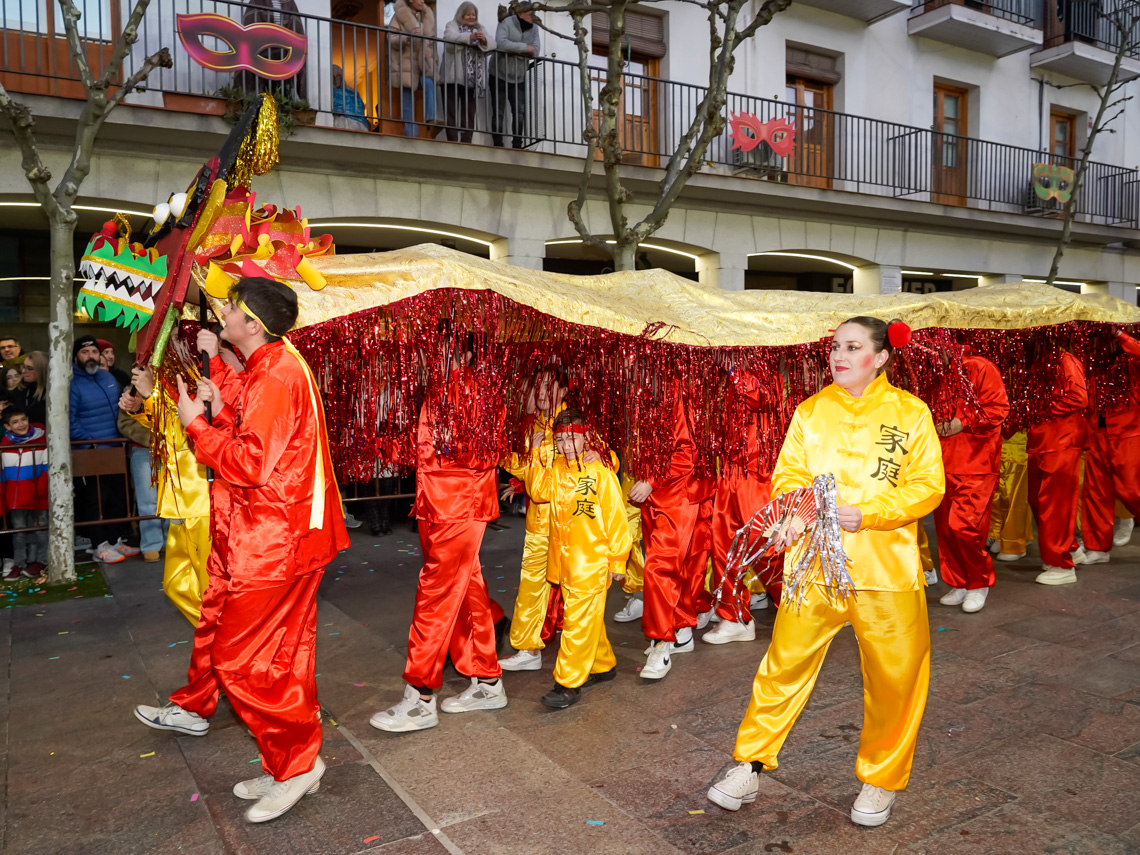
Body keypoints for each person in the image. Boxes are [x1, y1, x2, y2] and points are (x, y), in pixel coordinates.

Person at [707, 317, 944, 829]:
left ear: (881, 357)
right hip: (812, 569)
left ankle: (881, 778)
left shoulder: (911, 413)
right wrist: (793, 515)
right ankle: (750, 763)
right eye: (836, 347)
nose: (839, 356)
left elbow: (928, 486)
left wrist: (872, 514)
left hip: (884, 572)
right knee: (783, 666)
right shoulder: (811, 411)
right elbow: (789, 475)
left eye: (853, 347)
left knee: (896, 679)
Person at [133, 277, 348, 824]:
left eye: (230, 308)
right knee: (279, 657)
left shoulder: (275, 373)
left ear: (252, 323)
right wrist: (220, 409)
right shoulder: (272, 365)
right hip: (268, 535)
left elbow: (251, 464)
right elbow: (263, 440)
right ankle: (292, 763)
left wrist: (196, 425)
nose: (222, 314)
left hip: (273, 541)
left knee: (240, 661)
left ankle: (297, 765)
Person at [369, 329, 507, 734]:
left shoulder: (477, 392)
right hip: (437, 504)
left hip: (459, 506)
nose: (432, 354)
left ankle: (420, 696)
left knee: (436, 596)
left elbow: (485, 452)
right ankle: (487, 681)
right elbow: (426, 452)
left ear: (463, 354)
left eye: (441, 347)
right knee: (467, 591)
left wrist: (450, 444)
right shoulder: (437, 390)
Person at [521, 408, 631, 708]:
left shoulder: (599, 470)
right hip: (564, 563)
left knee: (576, 623)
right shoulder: (558, 466)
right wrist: (535, 455)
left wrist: (617, 561)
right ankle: (602, 664)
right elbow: (539, 492)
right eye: (560, 440)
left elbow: (616, 519)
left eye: (572, 439)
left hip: (591, 563)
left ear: (586, 439)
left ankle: (568, 682)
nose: (566, 445)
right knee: (585, 618)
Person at [629, 388, 714, 681]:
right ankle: (681, 631)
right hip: (657, 496)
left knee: (660, 567)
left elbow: (687, 453)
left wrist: (652, 480)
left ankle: (661, 642)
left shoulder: (676, 392)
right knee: (681, 567)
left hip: (677, 495)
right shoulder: (646, 389)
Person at [123, 363, 215, 624]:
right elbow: (167, 426)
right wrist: (141, 406)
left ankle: (222, 638)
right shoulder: (177, 372)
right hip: (181, 499)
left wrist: (150, 395)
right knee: (176, 585)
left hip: (202, 499)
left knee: (209, 586)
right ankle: (218, 636)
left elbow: (188, 431)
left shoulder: (202, 372)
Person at [703, 367, 782, 645]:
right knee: (724, 548)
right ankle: (735, 617)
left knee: (768, 547)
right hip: (729, 471)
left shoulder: (760, 369)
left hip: (756, 473)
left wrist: (734, 368)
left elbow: (759, 398)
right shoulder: (720, 373)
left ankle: (801, 607)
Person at [498, 366, 566, 672]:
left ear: (563, 390)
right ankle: (528, 647)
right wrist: (502, 459)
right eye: (537, 385)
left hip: (567, 522)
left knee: (574, 586)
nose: (540, 392)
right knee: (533, 583)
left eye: (548, 386)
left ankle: (583, 649)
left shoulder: (572, 424)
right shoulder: (536, 424)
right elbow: (530, 468)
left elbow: (604, 461)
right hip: (540, 522)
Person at [934, 347, 1009, 613]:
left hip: (976, 462)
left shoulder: (979, 367)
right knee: (946, 530)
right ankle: (960, 582)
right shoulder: (933, 372)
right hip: (943, 463)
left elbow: (998, 408)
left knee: (964, 526)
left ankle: (979, 582)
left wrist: (962, 421)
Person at [70, 335, 137, 564]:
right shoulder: (71, 383)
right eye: (84, 352)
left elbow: (121, 407)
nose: (91, 357)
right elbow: (69, 419)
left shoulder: (107, 377)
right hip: (90, 451)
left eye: (94, 352)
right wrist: (89, 442)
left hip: (115, 448)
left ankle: (115, 540)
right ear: (76, 356)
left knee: (117, 497)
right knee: (96, 500)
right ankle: (99, 545)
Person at [1027, 345, 1088, 585]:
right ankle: (1069, 548)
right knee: (1037, 500)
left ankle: (1061, 563)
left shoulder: (1064, 359)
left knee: (1055, 505)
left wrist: (1041, 407)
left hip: (1061, 440)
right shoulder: (1038, 359)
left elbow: (1079, 398)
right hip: (1042, 440)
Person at [1080, 328, 1140, 564]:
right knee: (1096, 493)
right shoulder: (1094, 366)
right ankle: (1098, 548)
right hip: (1097, 434)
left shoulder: (1131, 362)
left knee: (1133, 491)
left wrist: (1120, 335)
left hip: (1128, 435)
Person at [117, 380, 170, 564]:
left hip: (170, 449)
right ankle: (151, 544)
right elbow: (124, 423)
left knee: (170, 497)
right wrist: (151, 438)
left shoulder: (170, 386)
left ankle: (170, 541)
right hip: (142, 450)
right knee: (147, 499)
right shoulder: (132, 390)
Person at [1, 406, 47, 580]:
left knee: (40, 529)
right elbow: (3, 473)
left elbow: (47, 469)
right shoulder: (4, 445)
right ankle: (19, 563)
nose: (21, 424)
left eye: (23, 419)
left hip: (38, 495)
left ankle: (41, 561)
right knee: (19, 532)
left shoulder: (41, 439)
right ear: (7, 427)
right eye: (15, 422)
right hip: (15, 497)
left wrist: (40, 490)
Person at [441, 2, 494, 143]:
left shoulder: (480, 28)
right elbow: (449, 39)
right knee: (451, 111)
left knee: (469, 112)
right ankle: (452, 141)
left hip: (472, 79)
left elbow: (493, 44)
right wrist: (469, 37)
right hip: (452, 77)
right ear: (461, 14)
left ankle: (466, 141)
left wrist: (484, 40)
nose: (471, 17)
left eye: (474, 14)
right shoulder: (452, 25)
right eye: (468, 14)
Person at [489, 1, 540, 149]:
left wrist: (519, 49)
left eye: (533, 14)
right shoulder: (506, 22)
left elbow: (536, 51)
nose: (532, 16)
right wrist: (525, 48)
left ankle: (517, 145)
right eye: (529, 13)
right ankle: (497, 144)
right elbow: (501, 43)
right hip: (498, 73)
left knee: (519, 112)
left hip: (519, 76)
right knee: (498, 111)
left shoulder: (535, 28)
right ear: (520, 13)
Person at [388, 0, 438, 138]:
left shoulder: (427, 16)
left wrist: (433, 59)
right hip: (407, 61)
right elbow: (391, 39)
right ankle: (411, 133)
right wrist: (408, 37)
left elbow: (432, 42)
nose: (422, 1)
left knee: (428, 82)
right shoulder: (399, 15)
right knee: (407, 98)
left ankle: (431, 118)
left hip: (423, 61)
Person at [988, 429, 1034, 561]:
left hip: (1017, 444)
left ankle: (1014, 543)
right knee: (997, 493)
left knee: (1015, 496)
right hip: (996, 442)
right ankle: (1000, 534)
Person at [331, 64, 370, 131]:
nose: (336, 79)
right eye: (333, 76)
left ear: (341, 77)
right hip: (338, 121)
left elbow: (359, 106)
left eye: (338, 76)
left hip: (356, 122)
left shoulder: (352, 92)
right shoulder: (329, 93)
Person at [13, 351, 46, 426]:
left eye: (30, 368)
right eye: (23, 367)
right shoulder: (18, 389)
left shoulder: (51, 392)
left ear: (42, 370)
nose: (23, 371)